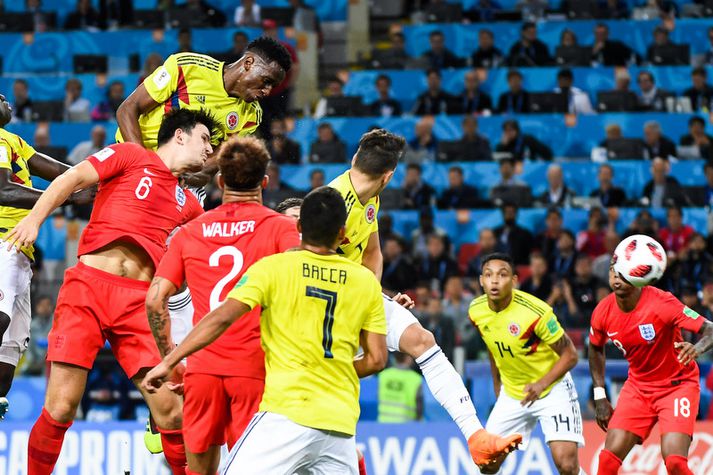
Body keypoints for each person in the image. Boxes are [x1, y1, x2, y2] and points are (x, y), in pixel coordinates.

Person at [8, 109, 220, 474]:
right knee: (61, 407)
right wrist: (34, 218)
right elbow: (73, 178)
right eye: (205, 139)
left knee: (171, 412)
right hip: (87, 290)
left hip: (141, 303)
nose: (209, 150)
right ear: (180, 135)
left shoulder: (192, 204)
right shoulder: (131, 156)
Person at [142, 187, 388, 474]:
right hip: (340, 425)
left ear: (298, 227)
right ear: (343, 233)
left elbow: (220, 318)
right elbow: (377, 360)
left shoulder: (275, 268)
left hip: (287, 416)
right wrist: (330, 368)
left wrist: (170, 361)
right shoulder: (366, 282)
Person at [327, 129, 521, 469]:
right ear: (390, 176)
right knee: (353, 381)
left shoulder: (369, 197)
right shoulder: (330, 205)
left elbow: (372, 253)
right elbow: (313, 265)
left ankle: (476, 437)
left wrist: (374, 298)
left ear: (357, 160)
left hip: (359, 296)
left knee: (422, 339)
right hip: (327, 307)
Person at [145, 136, 300, 474]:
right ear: (264, 182)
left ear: (219, 181)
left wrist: (172, 361)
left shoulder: (190, 232)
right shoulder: (282, 229)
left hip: (201, 372)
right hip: (256, 370)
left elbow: (155, 300)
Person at [0, 93, 93, 419]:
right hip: (1, 242)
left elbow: (59, 171)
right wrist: (65, 200)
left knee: (11, 348)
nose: (4, 99)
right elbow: (3, 190)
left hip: (19, 250)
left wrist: (94, 176)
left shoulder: (13, 141)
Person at [589, 261, 713, 475]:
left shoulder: (662, 302)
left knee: (675, 462)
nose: (616, 276)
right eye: (612, 270)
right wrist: (600, 395)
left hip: (677, 386)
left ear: (638, 276)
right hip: (638, 387)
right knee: (607, 460)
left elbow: (710, 329)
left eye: (623, 272)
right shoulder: (603, 310)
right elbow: (595, 348)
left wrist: (697, 348)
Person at [470, 253, 584, 475]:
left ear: (514, 281)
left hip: (552, 389)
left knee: (567, 465)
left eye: (502, 275)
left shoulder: (536, 313)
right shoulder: (476, 310)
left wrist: (541, 385)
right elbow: (492, 345)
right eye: (488, 275)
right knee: (486, 463)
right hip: (513, 394)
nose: (494, 281)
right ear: (481, 281)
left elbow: (570, 355)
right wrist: (497, 385)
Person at [116, 37, 291, 154]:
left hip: (177, 180)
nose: (268, 91)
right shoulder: (187, 67)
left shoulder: (251, 115)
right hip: (131, 155)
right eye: (266, 80)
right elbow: (127, 109)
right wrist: (142, 165)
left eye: (273, 86)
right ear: (248, 63)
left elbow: (211, 167)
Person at [378, 352, 423, 423]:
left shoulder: (383, 375)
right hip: (407, 426)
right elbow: (419, 405)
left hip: (384, 423)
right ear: (408, 358)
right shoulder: (415, 378)